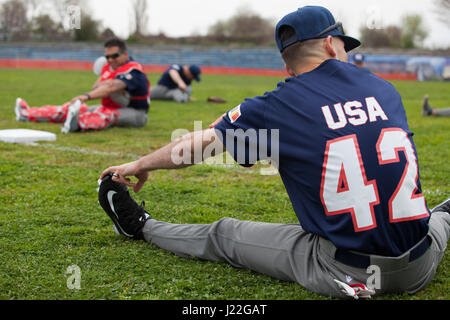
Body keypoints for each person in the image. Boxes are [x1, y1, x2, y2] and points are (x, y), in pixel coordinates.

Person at [97, 6, 449, 299]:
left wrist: (141, 164)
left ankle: (140, 227)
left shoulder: (277, 106)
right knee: (438, 218)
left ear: (287, 66)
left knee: (224, 235)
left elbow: (201, 144)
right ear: (330, 44)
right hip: (422, 259)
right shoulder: (384, 89)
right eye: (345, 46)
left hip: (347, 268)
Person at [15, 38, 150, 133]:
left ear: (125, 54)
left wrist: (85, 96)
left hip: (135, 112)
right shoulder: (109, 67)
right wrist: (106, 77)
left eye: (114, 56)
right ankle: (26, 113)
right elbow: (96, 88)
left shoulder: (134, 70)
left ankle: (77, 125)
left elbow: (110, 88)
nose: (110, 60)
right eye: (107, 56)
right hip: (108, 107)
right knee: (70, 108)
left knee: (105, 115)